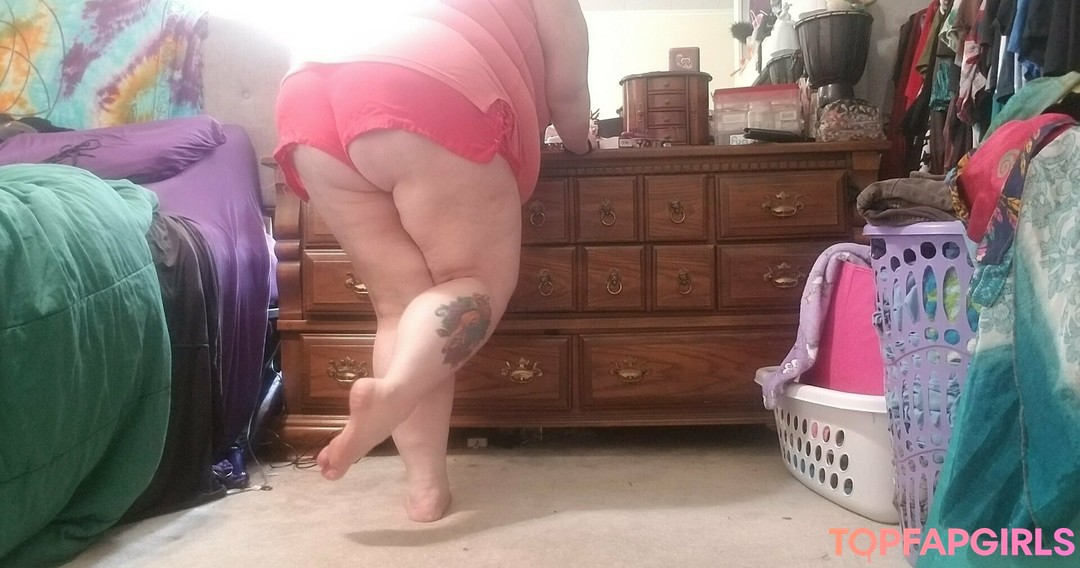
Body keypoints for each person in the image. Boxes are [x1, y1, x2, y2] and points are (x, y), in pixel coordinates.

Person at [273, 0, 591, 523]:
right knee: (470, 281)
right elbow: (569, 92)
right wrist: (581, 143)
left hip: (308, 93)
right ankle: (396, 392)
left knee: (398, 306)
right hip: (424, 79)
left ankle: (425, 487)